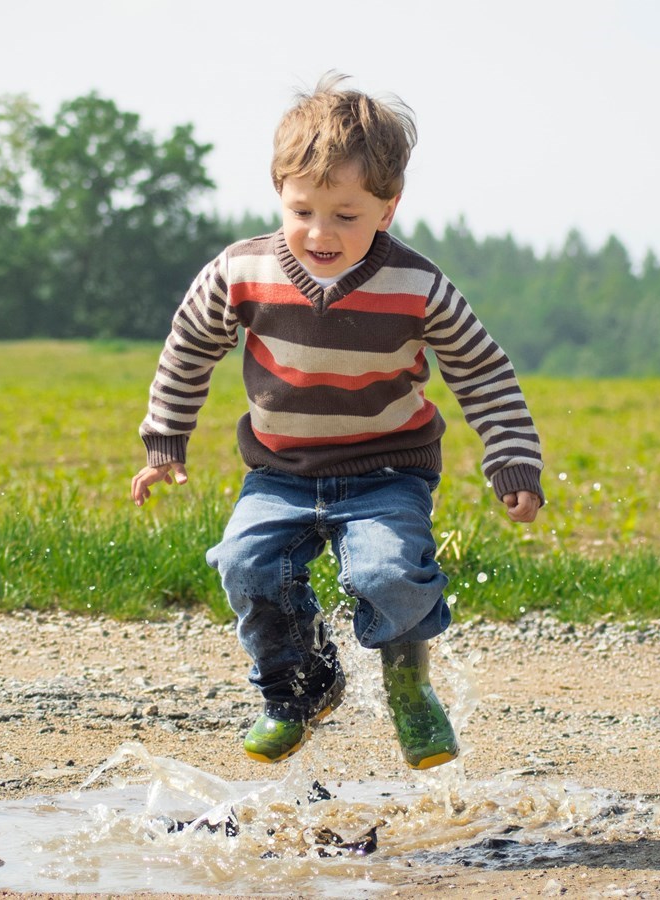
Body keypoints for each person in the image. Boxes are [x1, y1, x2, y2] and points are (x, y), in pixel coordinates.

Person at [130, 73, 544, 770]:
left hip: (388, 471)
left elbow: (482, 371)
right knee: (245, 565)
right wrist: (164, 437)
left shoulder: (419, 287)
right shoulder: (241, 270)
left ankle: (409, 683)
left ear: (388, 209)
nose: (320, 233)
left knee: (387, 574)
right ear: (280, 195)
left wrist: (511, 459)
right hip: (279, 472)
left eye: (346, 216)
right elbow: (190, 345)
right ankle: (299, 687)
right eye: (303, 211)